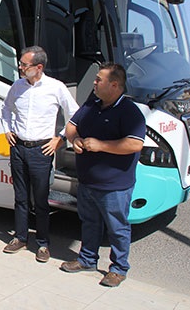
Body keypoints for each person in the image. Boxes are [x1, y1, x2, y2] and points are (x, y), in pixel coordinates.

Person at [61, 63, 145, 287]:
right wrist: (76, 139)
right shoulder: (92, 104)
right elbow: (71, 127)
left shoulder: (129, 111)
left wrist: (101, 145)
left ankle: (118, 268)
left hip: (114, 186)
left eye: (99, 80)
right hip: (88, 181)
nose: (94, 83)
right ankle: (87, 259)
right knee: (89, 223)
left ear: (114, 85)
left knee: (117, 228)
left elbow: (135, 144)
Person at [1, 46, 79, 262]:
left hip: (41, 150)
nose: (20, 67)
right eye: (21, 63)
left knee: (42, 200)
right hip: (19, 148)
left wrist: (59, 139)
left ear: (38, 67)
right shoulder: (17, 87)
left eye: (24, 64)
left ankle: (43, 244)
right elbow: (6, 109)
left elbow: (75, 114)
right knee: (21, 197)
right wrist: (7, 130)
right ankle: (20, 237)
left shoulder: (56, 87)